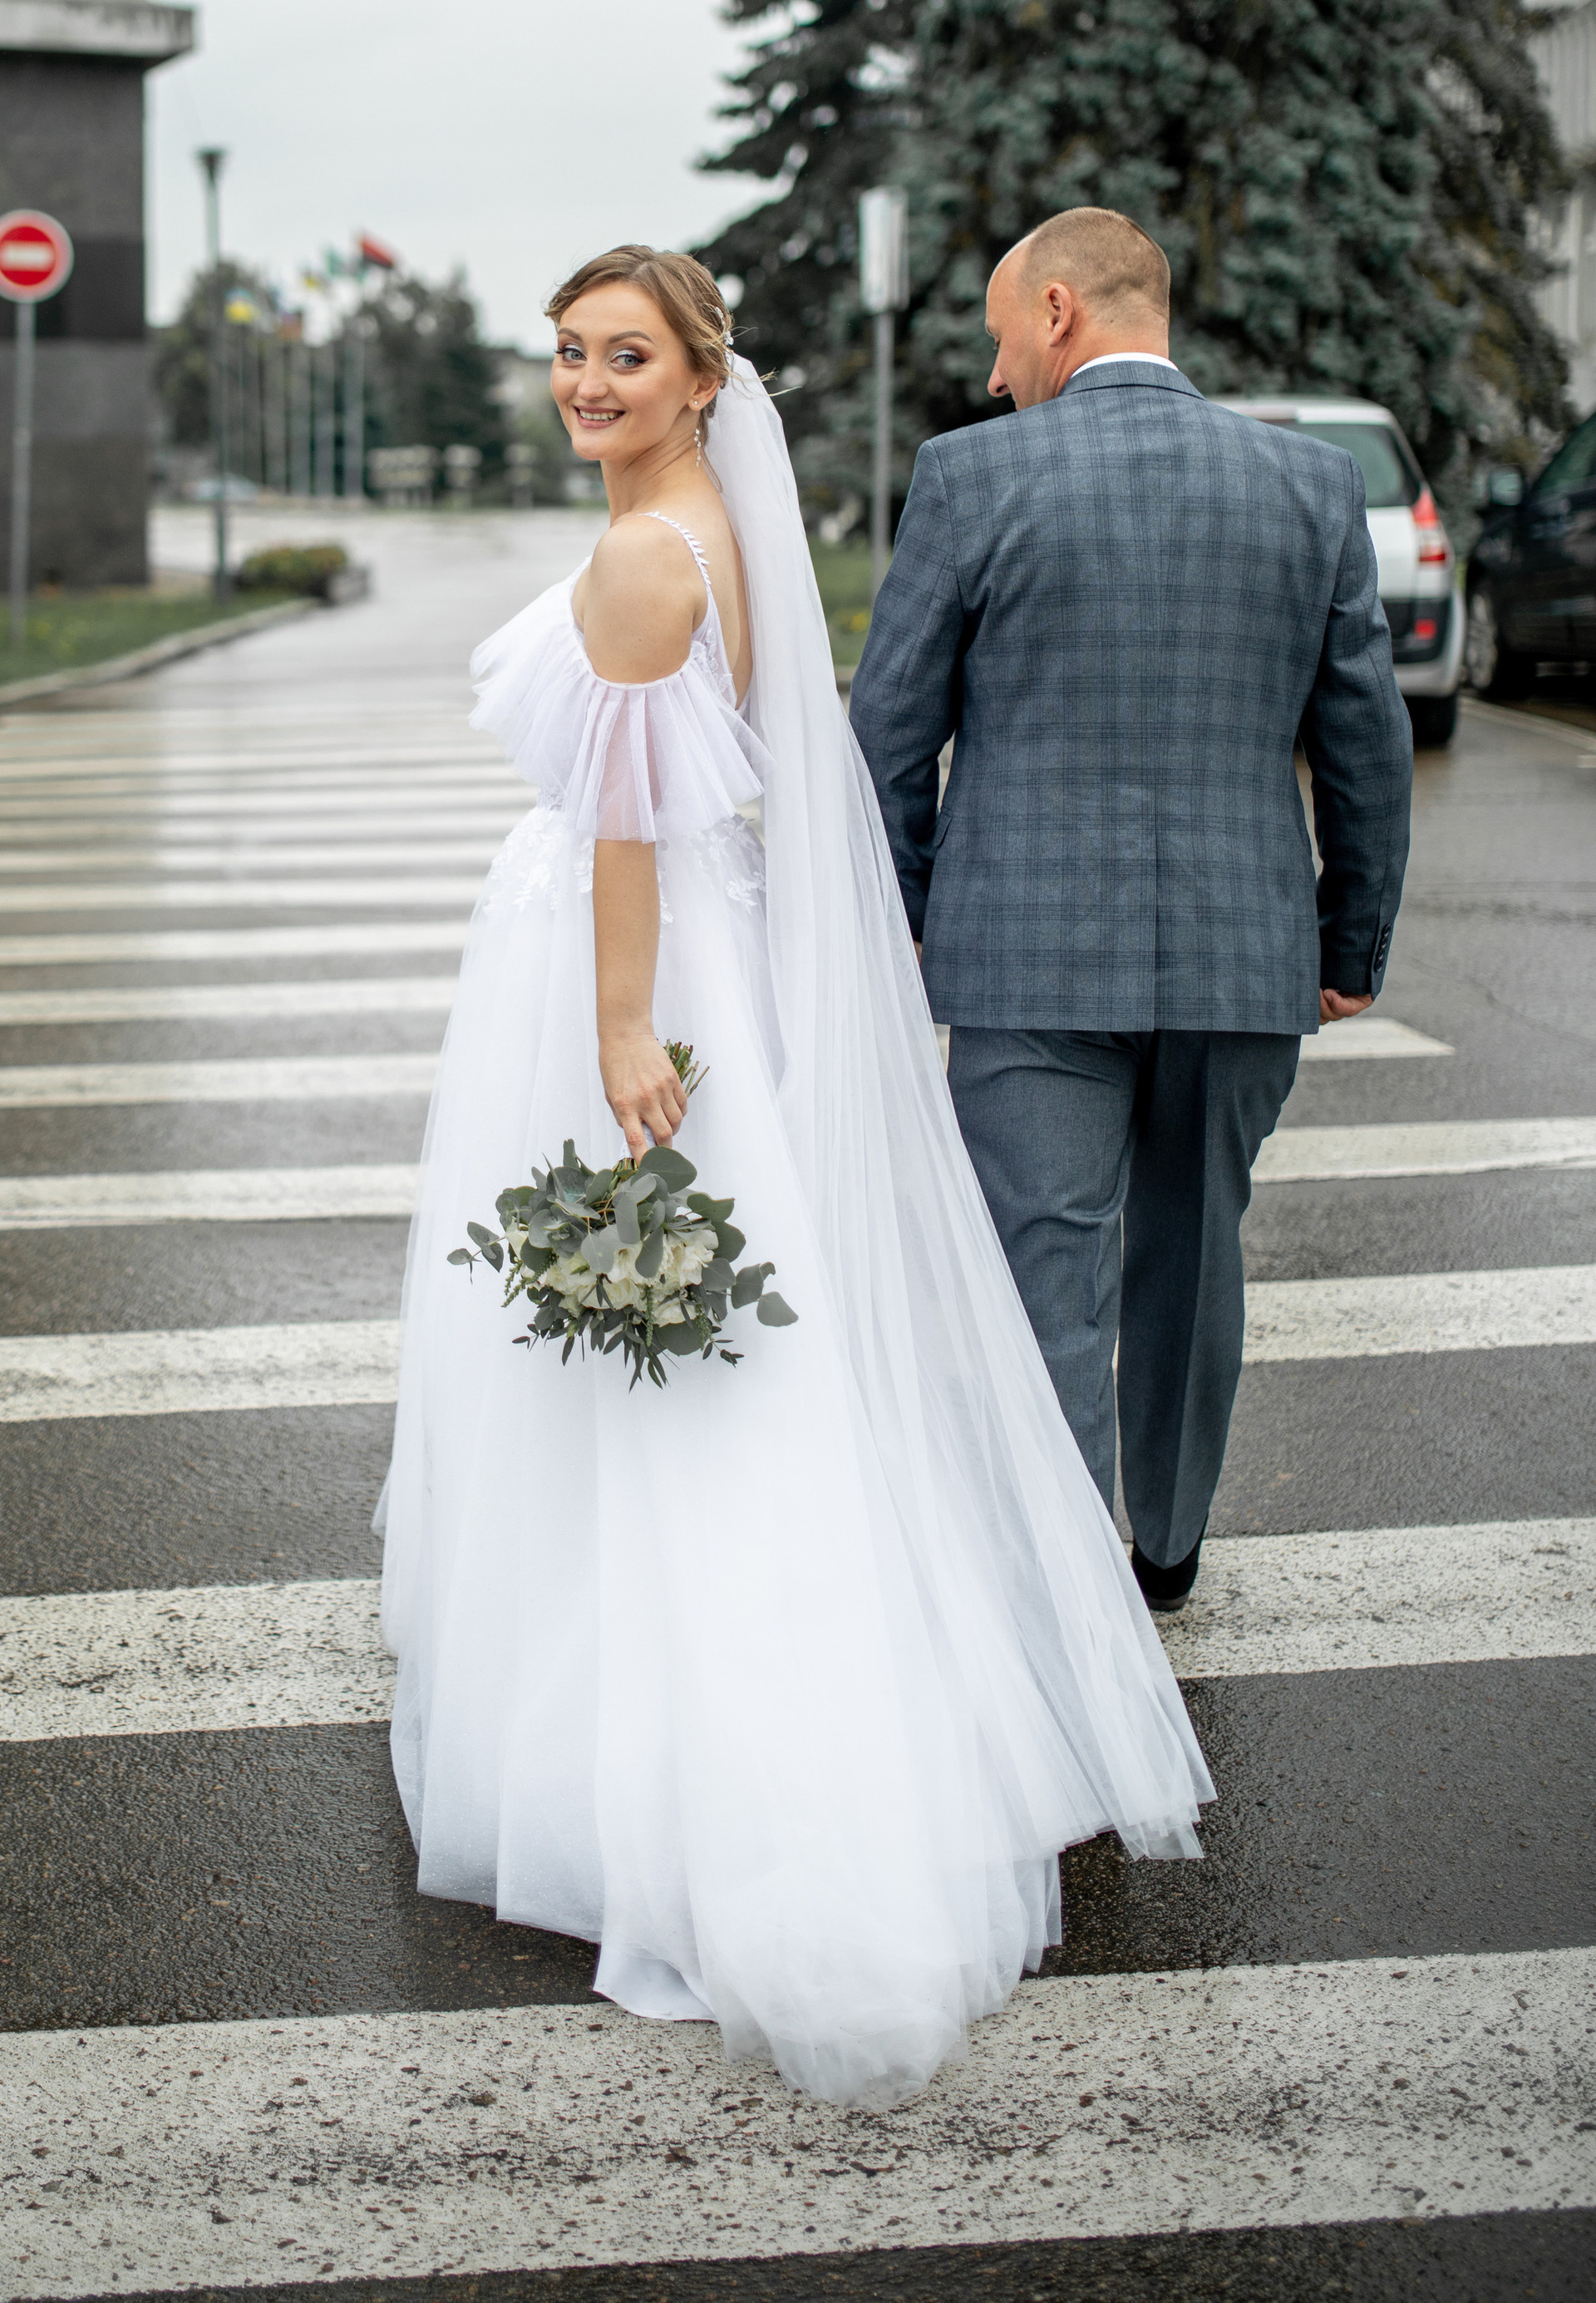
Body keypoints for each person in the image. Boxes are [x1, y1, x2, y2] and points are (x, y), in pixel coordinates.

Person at [379, 243, 1211, 2113]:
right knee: (740, 1345)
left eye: (623, 356)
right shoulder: (707, 529)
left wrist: (614, 1034)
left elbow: (619, 820)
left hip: (636, 969)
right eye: (569, 351)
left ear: (696, 377)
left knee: (634, 1340)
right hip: (718, 948)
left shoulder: (644, 555)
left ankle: (662, 1741)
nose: (585, 382)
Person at [850, 206, 1412, 1616]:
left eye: (998, 338)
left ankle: (1058, 1603)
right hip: (1243, 957)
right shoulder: (1307, 485)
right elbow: (1364, 739)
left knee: (1048, 1275)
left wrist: (900, 910)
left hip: (1027, 959)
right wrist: (1348, 948)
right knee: (1196, 1250)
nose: (991, 377)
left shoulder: (969, 480)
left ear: (1057, 313)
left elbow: (888, 732)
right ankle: (1164, 1551)